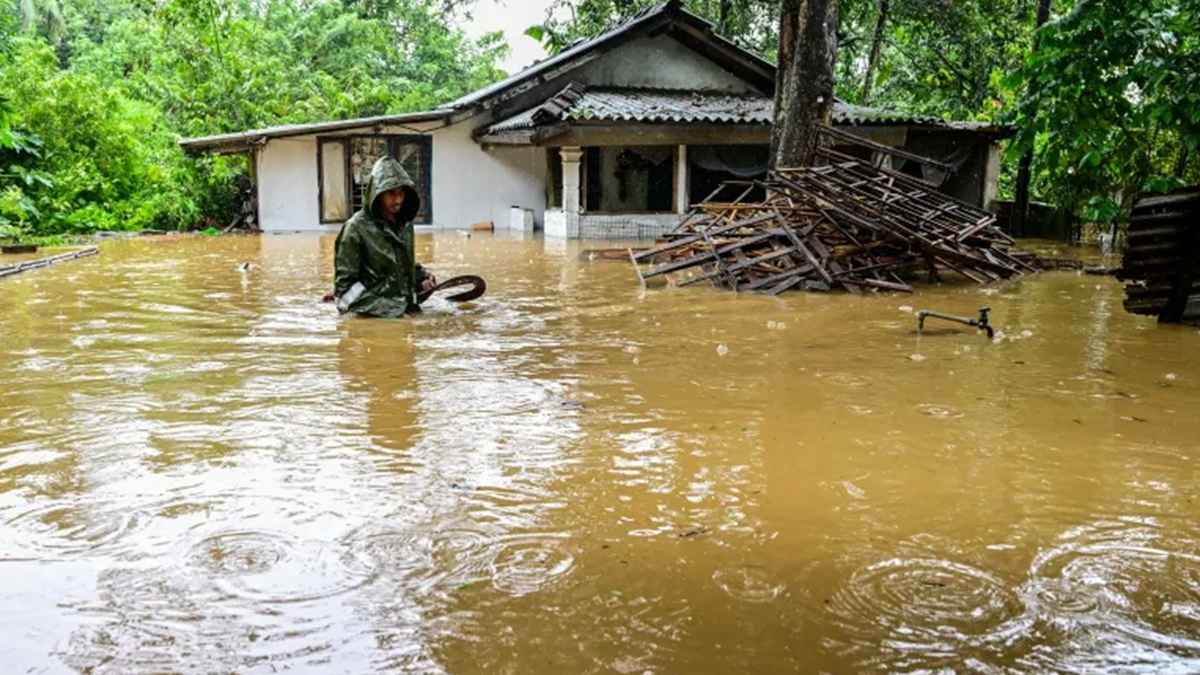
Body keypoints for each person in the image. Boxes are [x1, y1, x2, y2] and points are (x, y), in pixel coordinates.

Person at [333, 156, 436, 317]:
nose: (398, 200)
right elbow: (344, 294)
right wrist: (392, 310)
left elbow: (402, 264)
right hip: (372, 318)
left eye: (401, 193)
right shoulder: (355, 228)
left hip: (405, 311)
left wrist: (422, 278)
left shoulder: (405, 225)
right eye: (391, 194)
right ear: (376, 193)